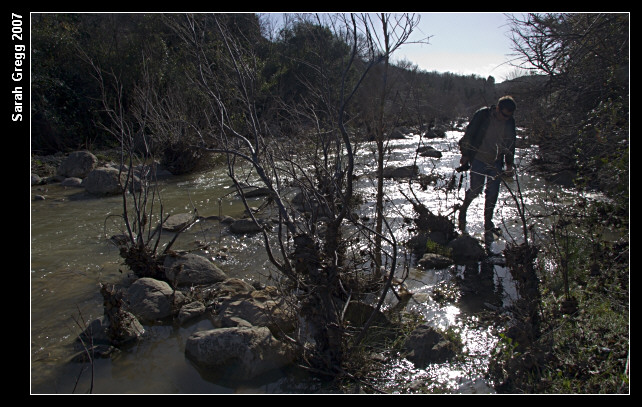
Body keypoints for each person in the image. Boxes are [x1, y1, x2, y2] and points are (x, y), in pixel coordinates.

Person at [457, 95, 517, 251]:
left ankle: (488, 224)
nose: (506, 118)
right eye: (504, 115)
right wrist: (465, 154)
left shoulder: (510, 121)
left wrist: (509, 164)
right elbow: (470, 133)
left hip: (496, 161)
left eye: (509, 116)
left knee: (493, 193)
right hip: (478, 157)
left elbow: (511, 143)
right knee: (476, 189)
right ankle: (463, 210)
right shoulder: (483, 115)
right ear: (497, 108)